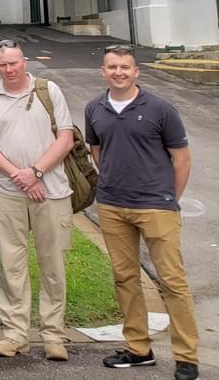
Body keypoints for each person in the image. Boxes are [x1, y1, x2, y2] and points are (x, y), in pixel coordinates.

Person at [85, 44, 199, 380]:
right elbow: (97, 151)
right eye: (112, 67)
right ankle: (138, 349)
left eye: (125, 67)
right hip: (112, 205)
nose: (118, 72)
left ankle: (186, 356)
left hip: (156, 207)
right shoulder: (95, 108)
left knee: (172, 282)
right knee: (125, 279)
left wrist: (168, 197)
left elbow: (182, 158)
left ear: (137, 71)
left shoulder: (160, 109)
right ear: (104, 71)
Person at [0, 40, 74, 361]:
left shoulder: (49, 91)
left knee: (53, 264)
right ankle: (15, 334)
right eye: (3, 64)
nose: (9, 69)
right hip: (6, 192)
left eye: (14, 63)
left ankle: (54, 335)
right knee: (11, 264)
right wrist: (19, 175)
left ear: (24, 61)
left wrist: (36, 172)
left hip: (51, 190)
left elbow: (66, 138)